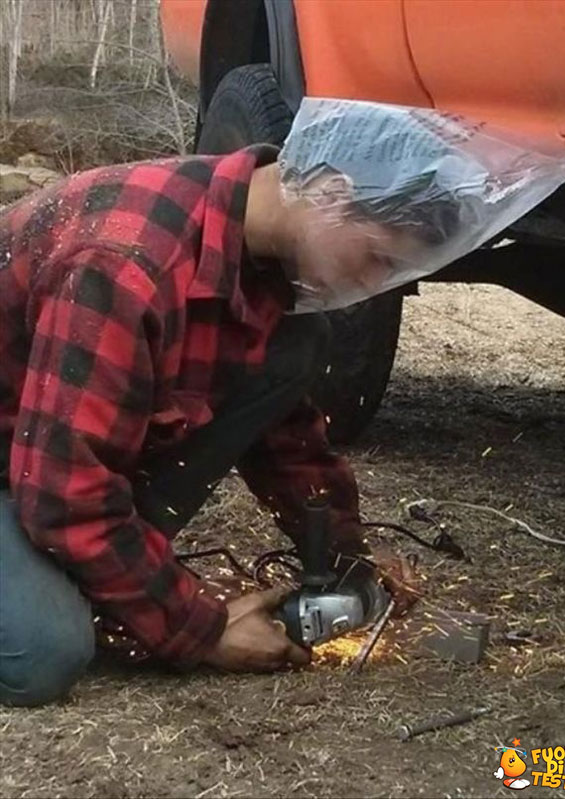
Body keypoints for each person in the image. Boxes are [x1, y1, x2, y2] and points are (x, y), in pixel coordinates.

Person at [0, 144, 418, 707]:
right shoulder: (123, 264)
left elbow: (284, 437)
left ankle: (82, 572)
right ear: (331, 197)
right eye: (375, 257)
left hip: (44, 444)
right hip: (31, 466)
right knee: (42, 652)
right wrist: (203, 631)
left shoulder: (253, 246)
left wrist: (347, 558)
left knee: (295, 345)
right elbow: (62, 493)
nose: (375, 281)